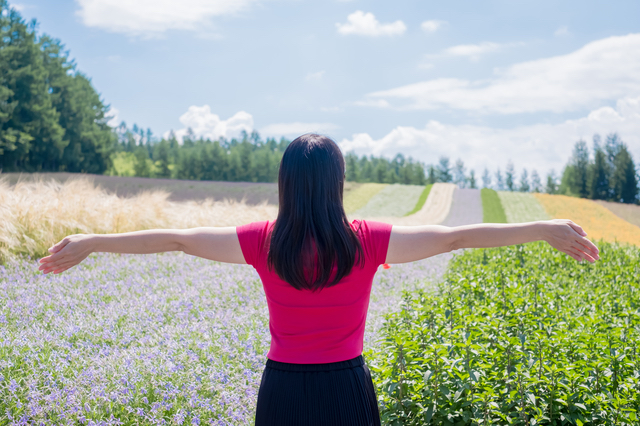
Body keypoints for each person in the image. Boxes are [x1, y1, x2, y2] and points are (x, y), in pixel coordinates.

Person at [38, 133, 600, 426]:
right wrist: (540, 227)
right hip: (344, 386)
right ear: (338, 183)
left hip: (282, 387)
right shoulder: (365, 240)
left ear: (285, 183)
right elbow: (454, 237)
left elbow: (180, 238)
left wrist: (92, 242)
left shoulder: (263, 240)